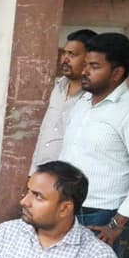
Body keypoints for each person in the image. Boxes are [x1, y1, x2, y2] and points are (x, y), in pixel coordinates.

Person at [59, 33, 129, 257]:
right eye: (85, 64)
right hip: (65, 206)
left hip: (101, 215)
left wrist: (117, 223)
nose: (84, 71)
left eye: (94, 66)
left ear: (117, 72)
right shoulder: (83, 103)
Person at [29, 29, 96, 174]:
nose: (64, 59)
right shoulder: (58, 87)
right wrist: (32, 172)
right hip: (43, 172)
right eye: (64, 53)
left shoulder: (93, 98)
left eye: (72, 54)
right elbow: (45, 132)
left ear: (90, 58)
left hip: (69, 178)